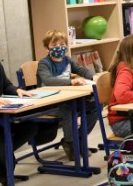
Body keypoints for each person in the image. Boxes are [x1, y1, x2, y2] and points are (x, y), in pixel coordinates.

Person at [0, 31, 38, 186]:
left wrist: (17, 90)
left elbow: (6, 85)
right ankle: (7, 170)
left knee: (31, 126)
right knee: (2, 136)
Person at [36, 30, 98, 160]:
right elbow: (48, 80)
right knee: (69, 111)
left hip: (68, 99)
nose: (59, 47)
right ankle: (71, 142)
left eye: (62, 44)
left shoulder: (67, 60)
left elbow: (81, 70)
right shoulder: (44, 63)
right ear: (47, 47)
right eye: (54, 45)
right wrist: (71, 81)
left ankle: (80, 138)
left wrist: (96, 77)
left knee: (96, 104)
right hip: (49, 103)